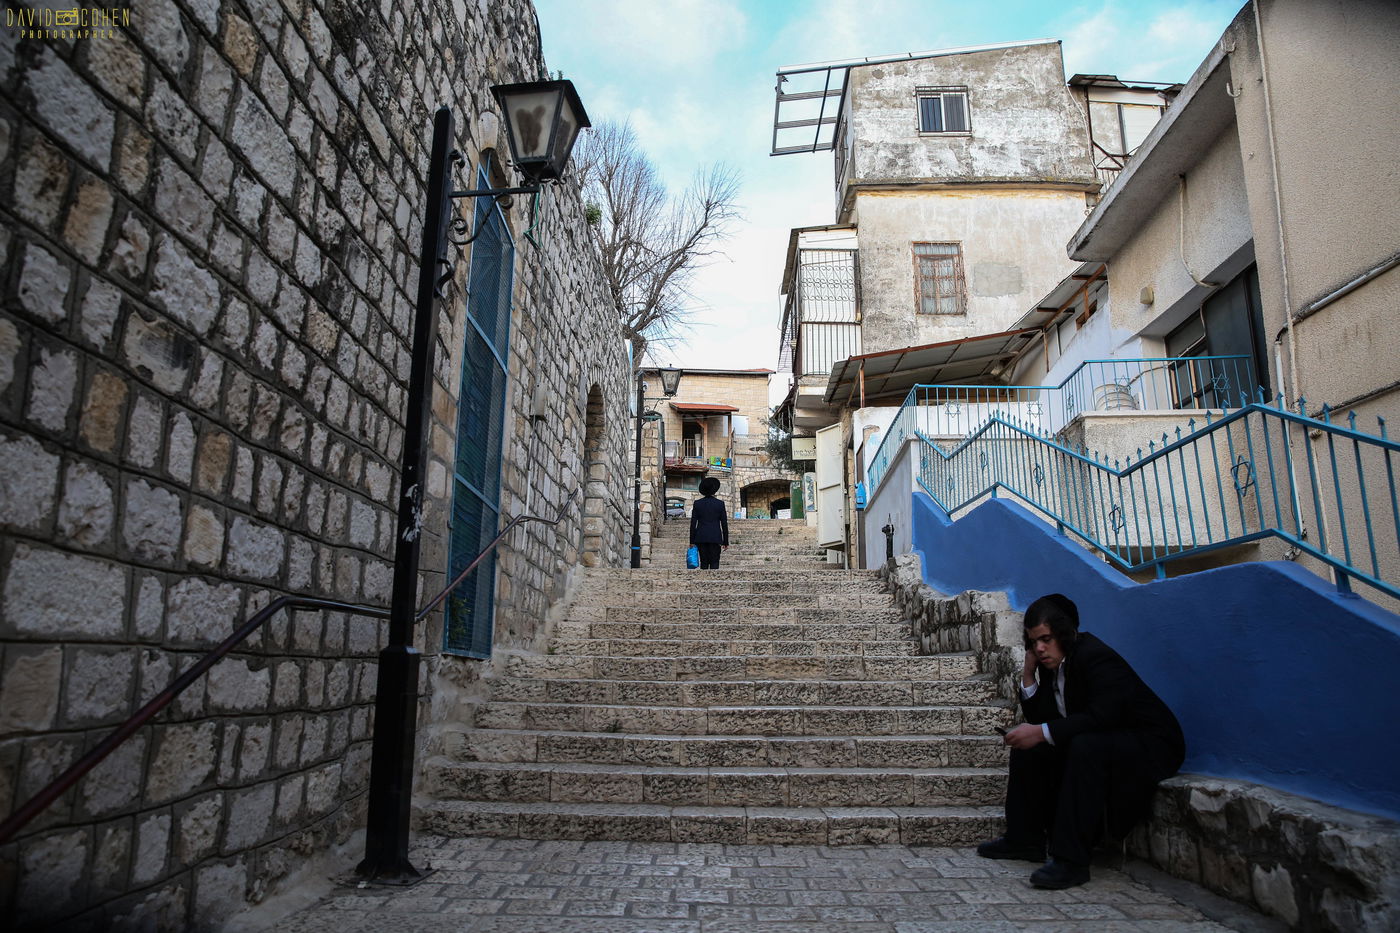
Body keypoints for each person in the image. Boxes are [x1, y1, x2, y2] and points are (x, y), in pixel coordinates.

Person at [976, 593, 1185, 889]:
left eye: (1046, 639)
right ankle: (1024, 840)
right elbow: (1044, 718)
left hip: (1150, 744)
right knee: (1033, 748)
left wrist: (1039, 731)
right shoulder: (1053, 665)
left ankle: (1071, 861)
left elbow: (1103, 717)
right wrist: (1028, 672)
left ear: (1064, 633)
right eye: (1034, 642)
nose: (1040, 648)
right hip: (1103, 740)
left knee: (1084, 745)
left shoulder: (1094, 656)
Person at [688, 476, 729, 570]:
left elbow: (693, 523)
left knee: (704, 562)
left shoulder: (697, 503)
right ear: (714, 490)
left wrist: (691, 541)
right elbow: (724, 524)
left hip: (701, 537)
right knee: (715, 562)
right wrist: (726, 541)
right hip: (715, 537)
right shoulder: (720, 504)